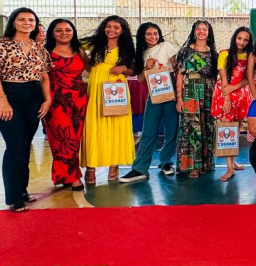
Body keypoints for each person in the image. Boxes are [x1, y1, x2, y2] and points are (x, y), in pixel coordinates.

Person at [0, 8, 52, 212]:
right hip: (8, 95)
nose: (26, 23)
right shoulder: (0, 44)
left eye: (31, 20)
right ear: (13, 22)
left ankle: (22, 190)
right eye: (22, 19)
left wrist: (47, 100)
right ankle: (13, 197)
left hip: (33, 96)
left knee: (25, 145)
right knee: (15, 145)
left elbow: (45, 75)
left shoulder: (38, 47)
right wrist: (3, 101)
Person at [120, 22, 179, 184]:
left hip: (171, 95)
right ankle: (140, 168)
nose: (153, 37)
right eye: (148, 34)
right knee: (148, 132)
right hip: (153, 97)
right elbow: (139, 79)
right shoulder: (140, 54)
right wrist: (146, 67)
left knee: (172, 131)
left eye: (155, 33)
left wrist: (178, 93)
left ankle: (166, 162)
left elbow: (178, 68)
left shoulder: (166, 46)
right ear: (142, 36)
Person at [80, 15, 136, 184]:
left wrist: (123, 68)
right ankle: (91, 167)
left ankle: (114, 166)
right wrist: (84, 57)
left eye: (116, 28)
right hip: (96, 87)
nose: (111, 30)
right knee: (93, 126)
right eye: (108, 26)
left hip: (117, 89)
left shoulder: (127, 47)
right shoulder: (94, 43)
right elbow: (83, 57)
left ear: (123, 31)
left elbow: (134, 70)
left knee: (117, 126)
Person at [44, 19, 89, 191]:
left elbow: (92, 69)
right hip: (55, 101)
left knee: (75, 139)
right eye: (59, 30)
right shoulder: (45, 52)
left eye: (67, 29)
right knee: (64, 138)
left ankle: (63, 175)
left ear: (73, 32)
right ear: (52, 33)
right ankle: (74, 177)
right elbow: (42, 77)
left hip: (79, 100)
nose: (64, 33)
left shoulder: (79, 51)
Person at [210, 26, 254, 182]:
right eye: (239, 38)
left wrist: (234, 88)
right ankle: (229, 168)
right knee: (227, 130)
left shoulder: (250, 56)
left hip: (241, 96)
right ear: (234, 37)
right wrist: (227, 97)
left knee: (234, 130)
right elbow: (223, 79)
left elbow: (248, 78)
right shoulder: (224, 54)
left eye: (246, 39)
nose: (242, 42)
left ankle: (232, 162)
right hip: (225, 96)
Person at [175, 20, 217, 177]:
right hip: (190, 94)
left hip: (207, 94)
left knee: (206, 128)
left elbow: (215, 78)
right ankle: (192, 166)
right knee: (191, 129)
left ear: (208, 32)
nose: (201, 31)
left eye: (204, 29)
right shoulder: (185, 51)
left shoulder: (213, 53)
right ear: (194, 31)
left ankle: (205, 164)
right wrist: (179, 98)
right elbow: (179, 75)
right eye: (198, 28)